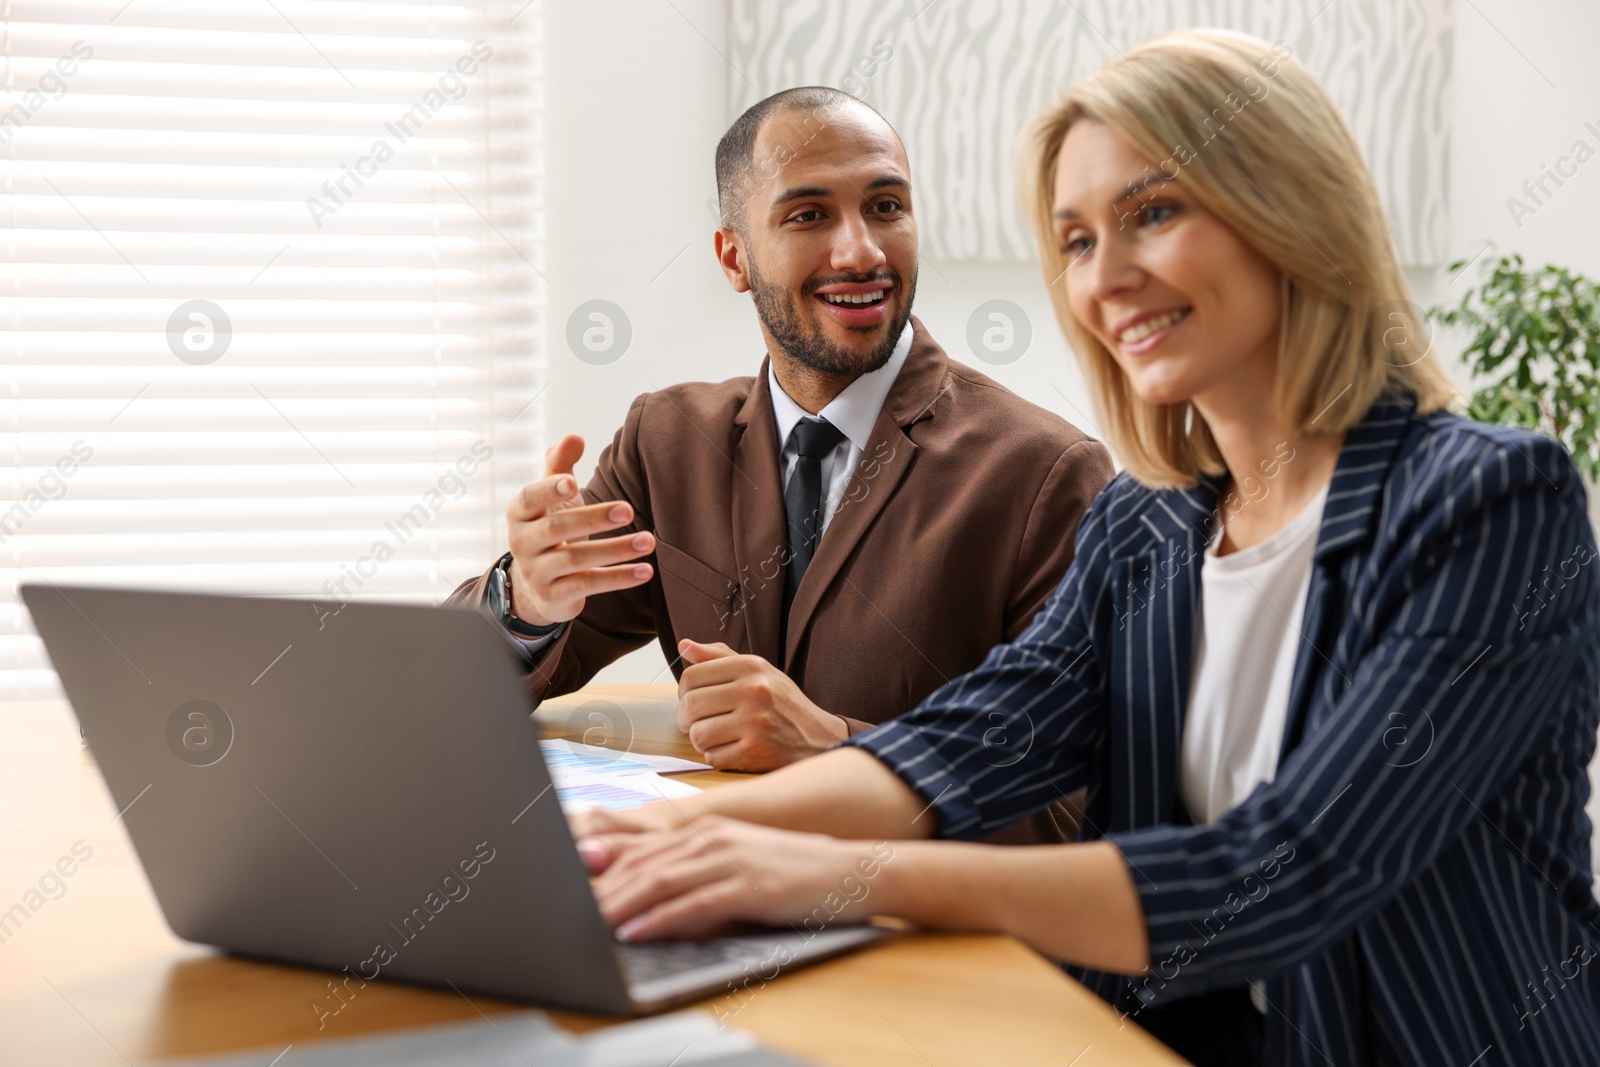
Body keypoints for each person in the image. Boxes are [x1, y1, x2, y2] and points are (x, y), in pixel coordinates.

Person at [569, 31, 1600, 1067]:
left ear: (1292, 210)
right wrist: (663, 840)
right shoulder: (1144, 526)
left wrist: (827, 869)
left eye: (1151, 213)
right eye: (1073, 240)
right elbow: (966, 742)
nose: (1106, 278)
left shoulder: (1489, 502)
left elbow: (1292, 868)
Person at [448, 87, 1113, 843]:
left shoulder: (1047, 473)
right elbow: (452, 689)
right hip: (717, 897)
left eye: (886, 206)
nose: (861, 250)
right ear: (735, 256)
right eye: (808, 215)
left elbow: (1085, 807)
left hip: (925, 928)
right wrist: (527, 601)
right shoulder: (665, 442)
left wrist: (838, 745)